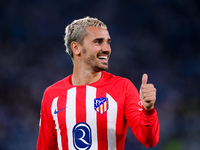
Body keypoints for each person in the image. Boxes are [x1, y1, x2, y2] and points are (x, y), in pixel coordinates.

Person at [37, 16, 159, 150]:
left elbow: (149, 140)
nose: (107, 49)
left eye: (108, 42)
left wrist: (148, 110)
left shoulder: (123, 87)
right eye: (98, 42)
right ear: (76, 47)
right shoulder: (52, 95)